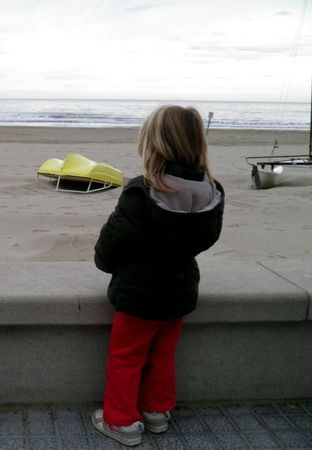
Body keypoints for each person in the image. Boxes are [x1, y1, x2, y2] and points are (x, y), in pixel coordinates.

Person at [91, 105, 224, 446]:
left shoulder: (142, 192)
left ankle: (122, 422)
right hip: (180, 291)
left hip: (139, 295)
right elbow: (205, 239)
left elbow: (109, 251)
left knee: (126, 357)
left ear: (152, 143)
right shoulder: (212, 192)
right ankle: (156, 412)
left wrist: (109, 260)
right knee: (163, 355)